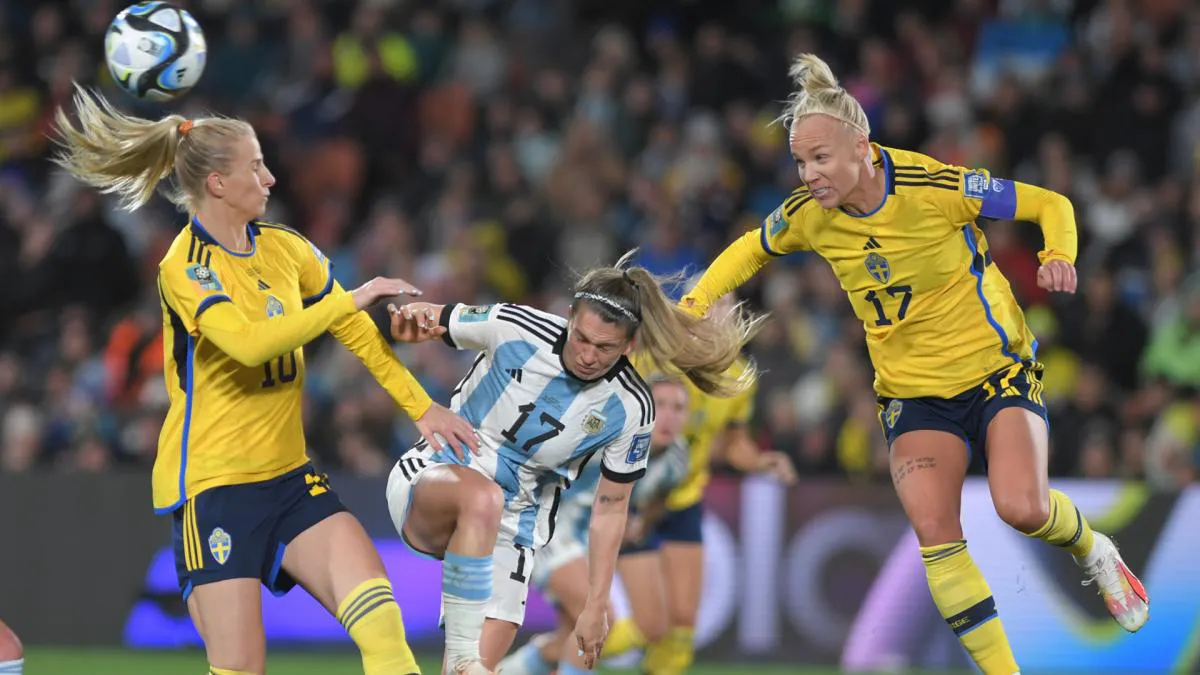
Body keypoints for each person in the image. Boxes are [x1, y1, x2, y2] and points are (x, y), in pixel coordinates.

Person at [680, 54, 1149, 675]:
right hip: (912, 395)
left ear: (863, 148)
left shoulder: (936, 188)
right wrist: (694, 303)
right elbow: (750, 248)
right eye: (799, 161)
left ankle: (1094, 549)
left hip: (995, 371)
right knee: (937, 535)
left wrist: (1058, 254)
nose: (809, 174)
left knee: (1022, 507)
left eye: (821, 158)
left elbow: (1050, 203)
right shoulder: (810, 216)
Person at [51, 84, 480, 675]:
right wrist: (345, 300)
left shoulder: (285, 249)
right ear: (219, 184)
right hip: (214, 489)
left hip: (289, 481)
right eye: (256, 166)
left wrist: (420, 405)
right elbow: (249, 346)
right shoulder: (186, 267)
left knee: (384, 630)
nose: (272, 178)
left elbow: (355, 332)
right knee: (242, 669)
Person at [384, 253, 763, 674]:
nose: (587, 355)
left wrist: (596, 606)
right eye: (581, 337)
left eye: (605, 348)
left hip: (516, 530)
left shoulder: (632, 407)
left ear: (630, 346)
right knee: (483, 498)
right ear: (569, 317)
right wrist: (410, 323)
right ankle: (462, 656)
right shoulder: (514, 326)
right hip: (435, 478)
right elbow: (433, 318)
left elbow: (612, 507)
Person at [627, 293, 797, 675]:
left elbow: (733, 443)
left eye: (729, 306)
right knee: (647, 627)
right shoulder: (653, 359)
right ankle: (553, 658)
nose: (721, 313)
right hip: (631, 500)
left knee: (683, 626)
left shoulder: (739, 377)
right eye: (712, 303)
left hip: (683, 500)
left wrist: (759, 462)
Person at [497, 373, 692, 675]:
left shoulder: (677, 460)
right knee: (600, 621)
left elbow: (655, 499)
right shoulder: (608, 438)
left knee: (571, 638)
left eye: (678, 408)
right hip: (549, 529)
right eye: (660, 404)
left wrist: (639, 523)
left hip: (587, 542)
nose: (668, 416)